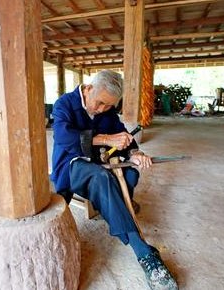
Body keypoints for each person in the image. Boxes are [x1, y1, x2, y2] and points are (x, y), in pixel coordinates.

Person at [50, 70, 178, 290]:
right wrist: (107, 139)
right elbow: (64, 137)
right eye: (99, 103)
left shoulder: (107, 111)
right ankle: (144, 252)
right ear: (89, 89)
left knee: (131, 172)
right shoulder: (65, 103)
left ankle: (114, 208)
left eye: (108, 106)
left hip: (98, 163)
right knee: (101, 178)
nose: (102, 110)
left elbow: (123, 135)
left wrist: (136, 154)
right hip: (70, 165)